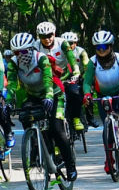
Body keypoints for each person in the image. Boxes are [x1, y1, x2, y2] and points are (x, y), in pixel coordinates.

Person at [7, 33, 77, 181]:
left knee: (57, 129)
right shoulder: (13, 63)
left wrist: (49, 96)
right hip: (32, 95)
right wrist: (8, 100)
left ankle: (70, 165)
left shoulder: (41, 58)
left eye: (24, 51)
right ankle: (35, 145)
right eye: (17, 53)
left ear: (31, 49)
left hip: (54, 94)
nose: (21, 55)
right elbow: (12, 84)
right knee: (25, 118)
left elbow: (47, 79)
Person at [36, 21, 85, 132]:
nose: (47, 39)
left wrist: (76, 71)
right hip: (47, 78)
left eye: (49, 35)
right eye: (43, 36)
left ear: (54, 33)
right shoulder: (36, 46)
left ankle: (76, 118)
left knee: (74, 92)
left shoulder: (62, 43)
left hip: (65, 76)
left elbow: (71, 58)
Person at [85, 30, 119, 174]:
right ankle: (109, 159)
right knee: (108, 129)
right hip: (103, 96)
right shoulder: (93, 62)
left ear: (110, 46)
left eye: (104, 47)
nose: (101, 50)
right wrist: (87, 94)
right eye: (98, 47)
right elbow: (87, 82)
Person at [61, 31, 94, 128]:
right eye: (66, 43)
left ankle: (90, 117)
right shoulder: (60, 52)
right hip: (64, 78)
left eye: (71, 43)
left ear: (75, 43)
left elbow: (87, 66)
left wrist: (83, 77)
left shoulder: (81, 52)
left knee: (87, 91)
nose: (69, 45)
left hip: (79, 76)